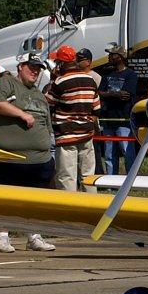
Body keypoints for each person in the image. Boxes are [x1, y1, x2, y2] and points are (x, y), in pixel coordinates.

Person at [0, 52, 56, 253]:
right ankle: (3, 236)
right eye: (31, 67)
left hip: (39, 158)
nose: (35, 71)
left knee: (34, 199)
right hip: (8, 156)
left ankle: (34, 235)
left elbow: (46, 122)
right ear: (21, 66)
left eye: (38, 68)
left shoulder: (40, 95)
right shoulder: (7, 83)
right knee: (6, 197)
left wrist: (49, 143)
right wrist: (22, 114)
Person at [46, 45, 100, 193]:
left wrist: (53, 80)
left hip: (66, 135)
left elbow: (48, 102)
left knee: (67, 176)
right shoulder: (90, 80)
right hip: (87, 133)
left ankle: (70, 209)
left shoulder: (60, 81)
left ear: (61, 63)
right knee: (88, 175)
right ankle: (92, 207)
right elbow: (96, 108)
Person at [98, 44, 139, 175]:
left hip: (124, 119)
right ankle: (111, 180)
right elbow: (99, 93)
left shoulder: (130, 74)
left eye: (112, 54)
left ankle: (131, 180)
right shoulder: (107, 74)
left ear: (120, 57)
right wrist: (115, 94)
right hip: (108, 119)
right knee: (109, 152)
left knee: (127, 151)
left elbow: (127, 95)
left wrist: (108, 94)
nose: (109, 57)